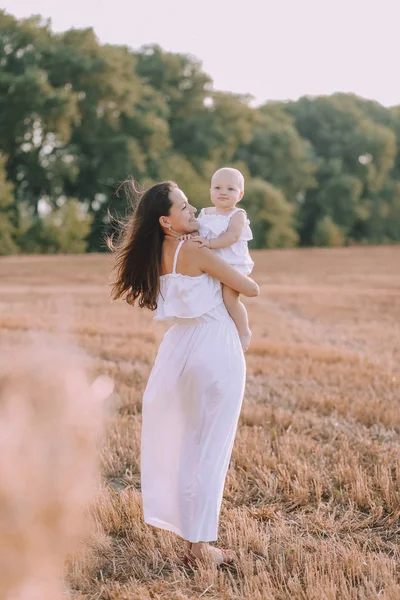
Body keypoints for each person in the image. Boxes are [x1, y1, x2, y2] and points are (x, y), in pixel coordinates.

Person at [109, 180, 259, 567]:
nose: (193, 211)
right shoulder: (195, 251)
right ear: (166, 220)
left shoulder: (156, 254)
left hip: (177, 352)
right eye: (185, 208)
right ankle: (199, 548)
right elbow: (249, 288)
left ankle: (194, 544)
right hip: (215, 347)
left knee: (186, 446)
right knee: (210, 449)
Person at [191, 167, 254, 352]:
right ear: (210, 191)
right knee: (209, 296)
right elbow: (195, 231)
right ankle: (213, 333)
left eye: (230, 189)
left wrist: (209, 243)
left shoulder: (237, 214)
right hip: (211, 264)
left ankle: (243, 331)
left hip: (231, 264)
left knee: (229, 298)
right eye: (217, 188)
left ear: (240, 195)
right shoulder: (204, 213)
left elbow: (232, 237)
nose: (223, 192)